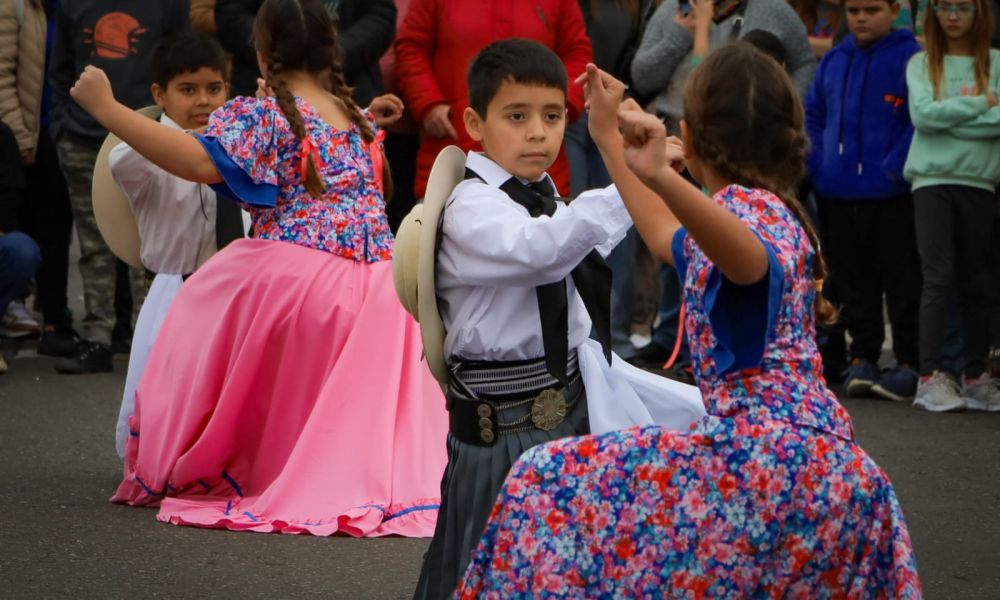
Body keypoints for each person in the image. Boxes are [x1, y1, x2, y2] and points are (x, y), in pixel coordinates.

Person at [458, 44, 921, 597]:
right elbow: (661, 236)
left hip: (771, 465)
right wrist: (610, 134)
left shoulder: (749, 216)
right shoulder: (767, 207)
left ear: (691, 138)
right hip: (805, 459)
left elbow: (751, 262)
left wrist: (663, 175)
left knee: (542, 481)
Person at [70, 0, 448, 536]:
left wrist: (107, 108)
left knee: (202, 305)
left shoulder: (269, 114)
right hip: (383, 294)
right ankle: (339, 466)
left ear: (263, 54)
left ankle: (255, 463)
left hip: (304, 279)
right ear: (332, 50)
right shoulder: (352, 114)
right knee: (344, 398)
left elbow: (197, 161)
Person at [411, 38, 704, 599]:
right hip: (503, 430)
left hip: (563, 410)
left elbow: (577, 241)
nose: (537, 133)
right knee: (496, 569)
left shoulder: (542, 196)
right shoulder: (471, 208)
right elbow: (541, 250)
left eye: (551, 116)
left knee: (568, 568)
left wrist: (632, 166)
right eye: (516, 117)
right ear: (474, 122)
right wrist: (631, 177)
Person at [108, 32, 244, 457]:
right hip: (177, 288)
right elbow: (122, 161)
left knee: (231, 390)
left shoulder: (241, 144)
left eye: (214, 89)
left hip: (238, 291)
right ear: (159, 94)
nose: (203, 101)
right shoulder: (141, 155)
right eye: (188, 90)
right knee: (166, 391)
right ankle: (159, 460)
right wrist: (182, 141)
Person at [48, 0, 190, 373]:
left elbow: (179, 60)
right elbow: (60, 71)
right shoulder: (71, 6)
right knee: (94, 243)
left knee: (148, 241)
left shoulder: (167, 7)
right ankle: (98, 338)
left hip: (148, 135)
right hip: (82, 138)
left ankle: (149, 339)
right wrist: (62, 126)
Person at [806, 0, 923, 401]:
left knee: (902, 279)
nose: (860, 17)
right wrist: (820, 164)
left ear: (894, 10)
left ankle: (909, 360)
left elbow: (915, 120)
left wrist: (893, 168)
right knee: (853, 280)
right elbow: (814, 116)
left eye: (871, 9)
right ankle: (864, 356)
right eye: (853, 9)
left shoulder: (911, 57)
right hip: (837, 191)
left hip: (892, 194)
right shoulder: (835, 59)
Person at [394, 0, 593, 199]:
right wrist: (428, 103)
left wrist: (558, 109)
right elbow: (412, 47)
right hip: (454, 154)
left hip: (539, 175)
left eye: (552, 116)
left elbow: (577, 52)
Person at [904, 0, 1000, 412]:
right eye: (945, 6)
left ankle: (975, 375)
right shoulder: (922, 64)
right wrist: (983, 103)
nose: (954, 15)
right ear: (933, 14)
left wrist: (950, 116)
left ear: (981, 14)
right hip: (931, 181)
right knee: (938, 276)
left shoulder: (995, 61)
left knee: (977, 278)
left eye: (964, 6)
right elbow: (923, 116)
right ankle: (931, 376)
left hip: (979, 180)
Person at [0, 0, 76, 354]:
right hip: (26, 135)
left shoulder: (71, 7)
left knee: (59, 228)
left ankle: (54, 316)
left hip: (65, 129)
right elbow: (1, 74)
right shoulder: (14, 6)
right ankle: (15, 304)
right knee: (24, 226)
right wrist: (18, 135)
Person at [215, 0, 396, 105]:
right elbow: (231, 16)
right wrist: (284, 44)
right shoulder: (248, 123)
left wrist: (329, 51)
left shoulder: (356, 126)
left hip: (351, 87)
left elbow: (380, 17)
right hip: (261, 87)